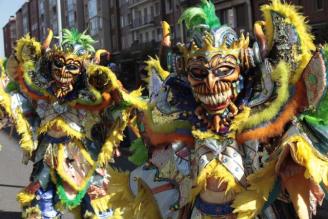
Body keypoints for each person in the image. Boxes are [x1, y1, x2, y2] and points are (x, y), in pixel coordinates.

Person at [107, 0, 328, 218]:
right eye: (199, 73)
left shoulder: (255, 120)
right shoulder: (186, 121)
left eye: (224, 70)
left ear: (240, 73)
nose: (211, 82)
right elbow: (166, 167)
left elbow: (289, 145)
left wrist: (292, 155)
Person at [0, 28, 146, 218]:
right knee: (41, 197)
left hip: (82, 153)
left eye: (71, 67)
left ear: (81, 71)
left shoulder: (89, 96)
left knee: (94, 199)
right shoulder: (44, 93)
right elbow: (21, 97)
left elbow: (117, 107)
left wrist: (112, 90)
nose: (62, 72)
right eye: (58, 64)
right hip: (48, 152)